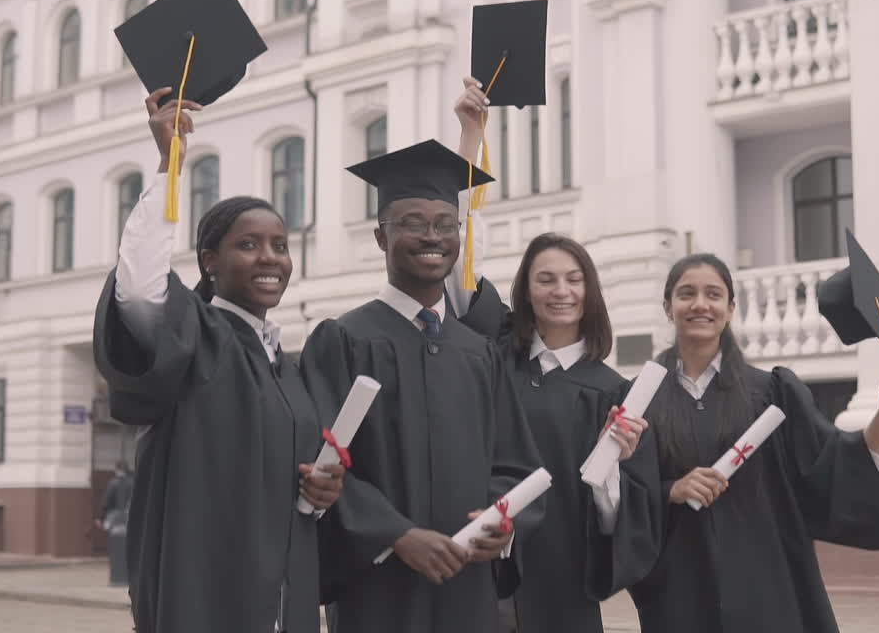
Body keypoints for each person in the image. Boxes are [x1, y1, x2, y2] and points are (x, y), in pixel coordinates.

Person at [92, 88, 344, 633]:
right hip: (207, 592)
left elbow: (292, 482)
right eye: (248, 245)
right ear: (210, 260)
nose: (270, 258)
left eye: (280, 245)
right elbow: (138, 288)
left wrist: (322, 494)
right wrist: (169, 165)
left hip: (285, 598)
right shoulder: (193, 336)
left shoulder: (286, 367)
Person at [300, 139, 544, 633]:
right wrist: (395, 534)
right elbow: (317, 463)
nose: (432, 236)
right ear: (380, 236)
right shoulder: (343, 340)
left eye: (446, 224)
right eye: (412, 223)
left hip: (466, 586)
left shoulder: (479, 353)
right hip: (379, 589)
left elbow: (515, 464)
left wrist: (502, 521)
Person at [448, 79, 661, 633]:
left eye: (573, 279)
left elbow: (621, 522)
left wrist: (612, 470)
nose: (560, 291)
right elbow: (460, 261)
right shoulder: (495, 354)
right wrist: (470, 137)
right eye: (545, 279)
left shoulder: (613, 395)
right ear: (526, 290)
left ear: (590, 291)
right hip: (483, 570)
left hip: (563, 584)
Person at [629, 254, 879, 632]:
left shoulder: (772, 392)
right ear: (668, 307)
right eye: (686, 294)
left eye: (713, 294)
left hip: (766, 583)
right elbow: (621, 493)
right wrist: (671, 490)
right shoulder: (640, 398)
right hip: (680, 587)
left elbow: (832, 462)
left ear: (730, 308)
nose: (700, 304)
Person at [94, 461, 134, 534]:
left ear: (116, 469)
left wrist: (99, 517)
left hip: (115, 518)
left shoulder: (113, 483)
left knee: (115, 538)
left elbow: (106, 501)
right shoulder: (133, 483)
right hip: (129, 518)